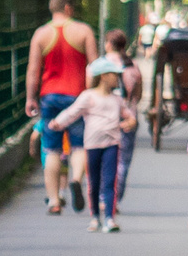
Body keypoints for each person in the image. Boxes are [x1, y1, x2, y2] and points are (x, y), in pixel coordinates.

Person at [23, 0, 99, 215]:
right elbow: (94, 66)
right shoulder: (83, 31)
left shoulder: (41, 34)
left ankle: (54, 200)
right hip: (76, 96)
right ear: (68, 8)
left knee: (52, 148)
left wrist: (30, 98)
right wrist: (92, 93)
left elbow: (33, 70)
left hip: (49, 97)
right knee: (78, 145)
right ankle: (75, 179)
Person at [43, 58, 138, 233]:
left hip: (112, 144)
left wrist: (130, 122)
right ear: (103, 76)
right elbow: (72, 112)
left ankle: (109, 218)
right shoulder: (88, 96)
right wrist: (57, 123)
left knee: (109, 182)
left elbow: (129, 115)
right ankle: (95, 218)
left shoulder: (116, 99)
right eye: (114, 75)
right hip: (92, 145)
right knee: (94, 182)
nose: (117, 78)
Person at [104, 27, 144, 211]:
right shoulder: (133, 66)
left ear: (109, 44)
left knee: (103, 158)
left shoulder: (101, 65)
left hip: (104, 117)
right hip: (129, 118)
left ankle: (102, 197)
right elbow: (138, 94)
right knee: (123, 161)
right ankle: (114, 199)